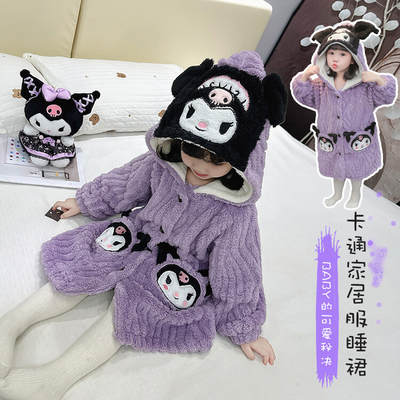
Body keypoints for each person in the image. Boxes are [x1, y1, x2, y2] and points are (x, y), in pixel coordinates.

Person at [0, 51, 287, 400]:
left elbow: (238, 269)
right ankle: (9, 325)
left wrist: (244, 326)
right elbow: (126, 183)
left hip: (179, 267)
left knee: (133, 311)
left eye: (216, 159)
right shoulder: (161, 164)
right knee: (85, 266)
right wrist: (86, 201)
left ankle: (55, 378)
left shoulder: (236, 214)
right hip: (137, 234)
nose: (200, 166)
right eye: (192, 149)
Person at [291, 20, 397, 209]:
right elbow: (305, 97)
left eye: (342, 54)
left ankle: (355, 193)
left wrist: (379, 79)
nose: (335, 59)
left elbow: (386, 97)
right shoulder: (321, 85)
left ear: (354, 57)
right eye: (331, 53)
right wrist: (304, 77)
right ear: (323, 56)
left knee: (357, 170)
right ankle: (337, 194)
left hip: (358, 138)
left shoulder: (365, 85)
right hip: (331, 138)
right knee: (335, 169)